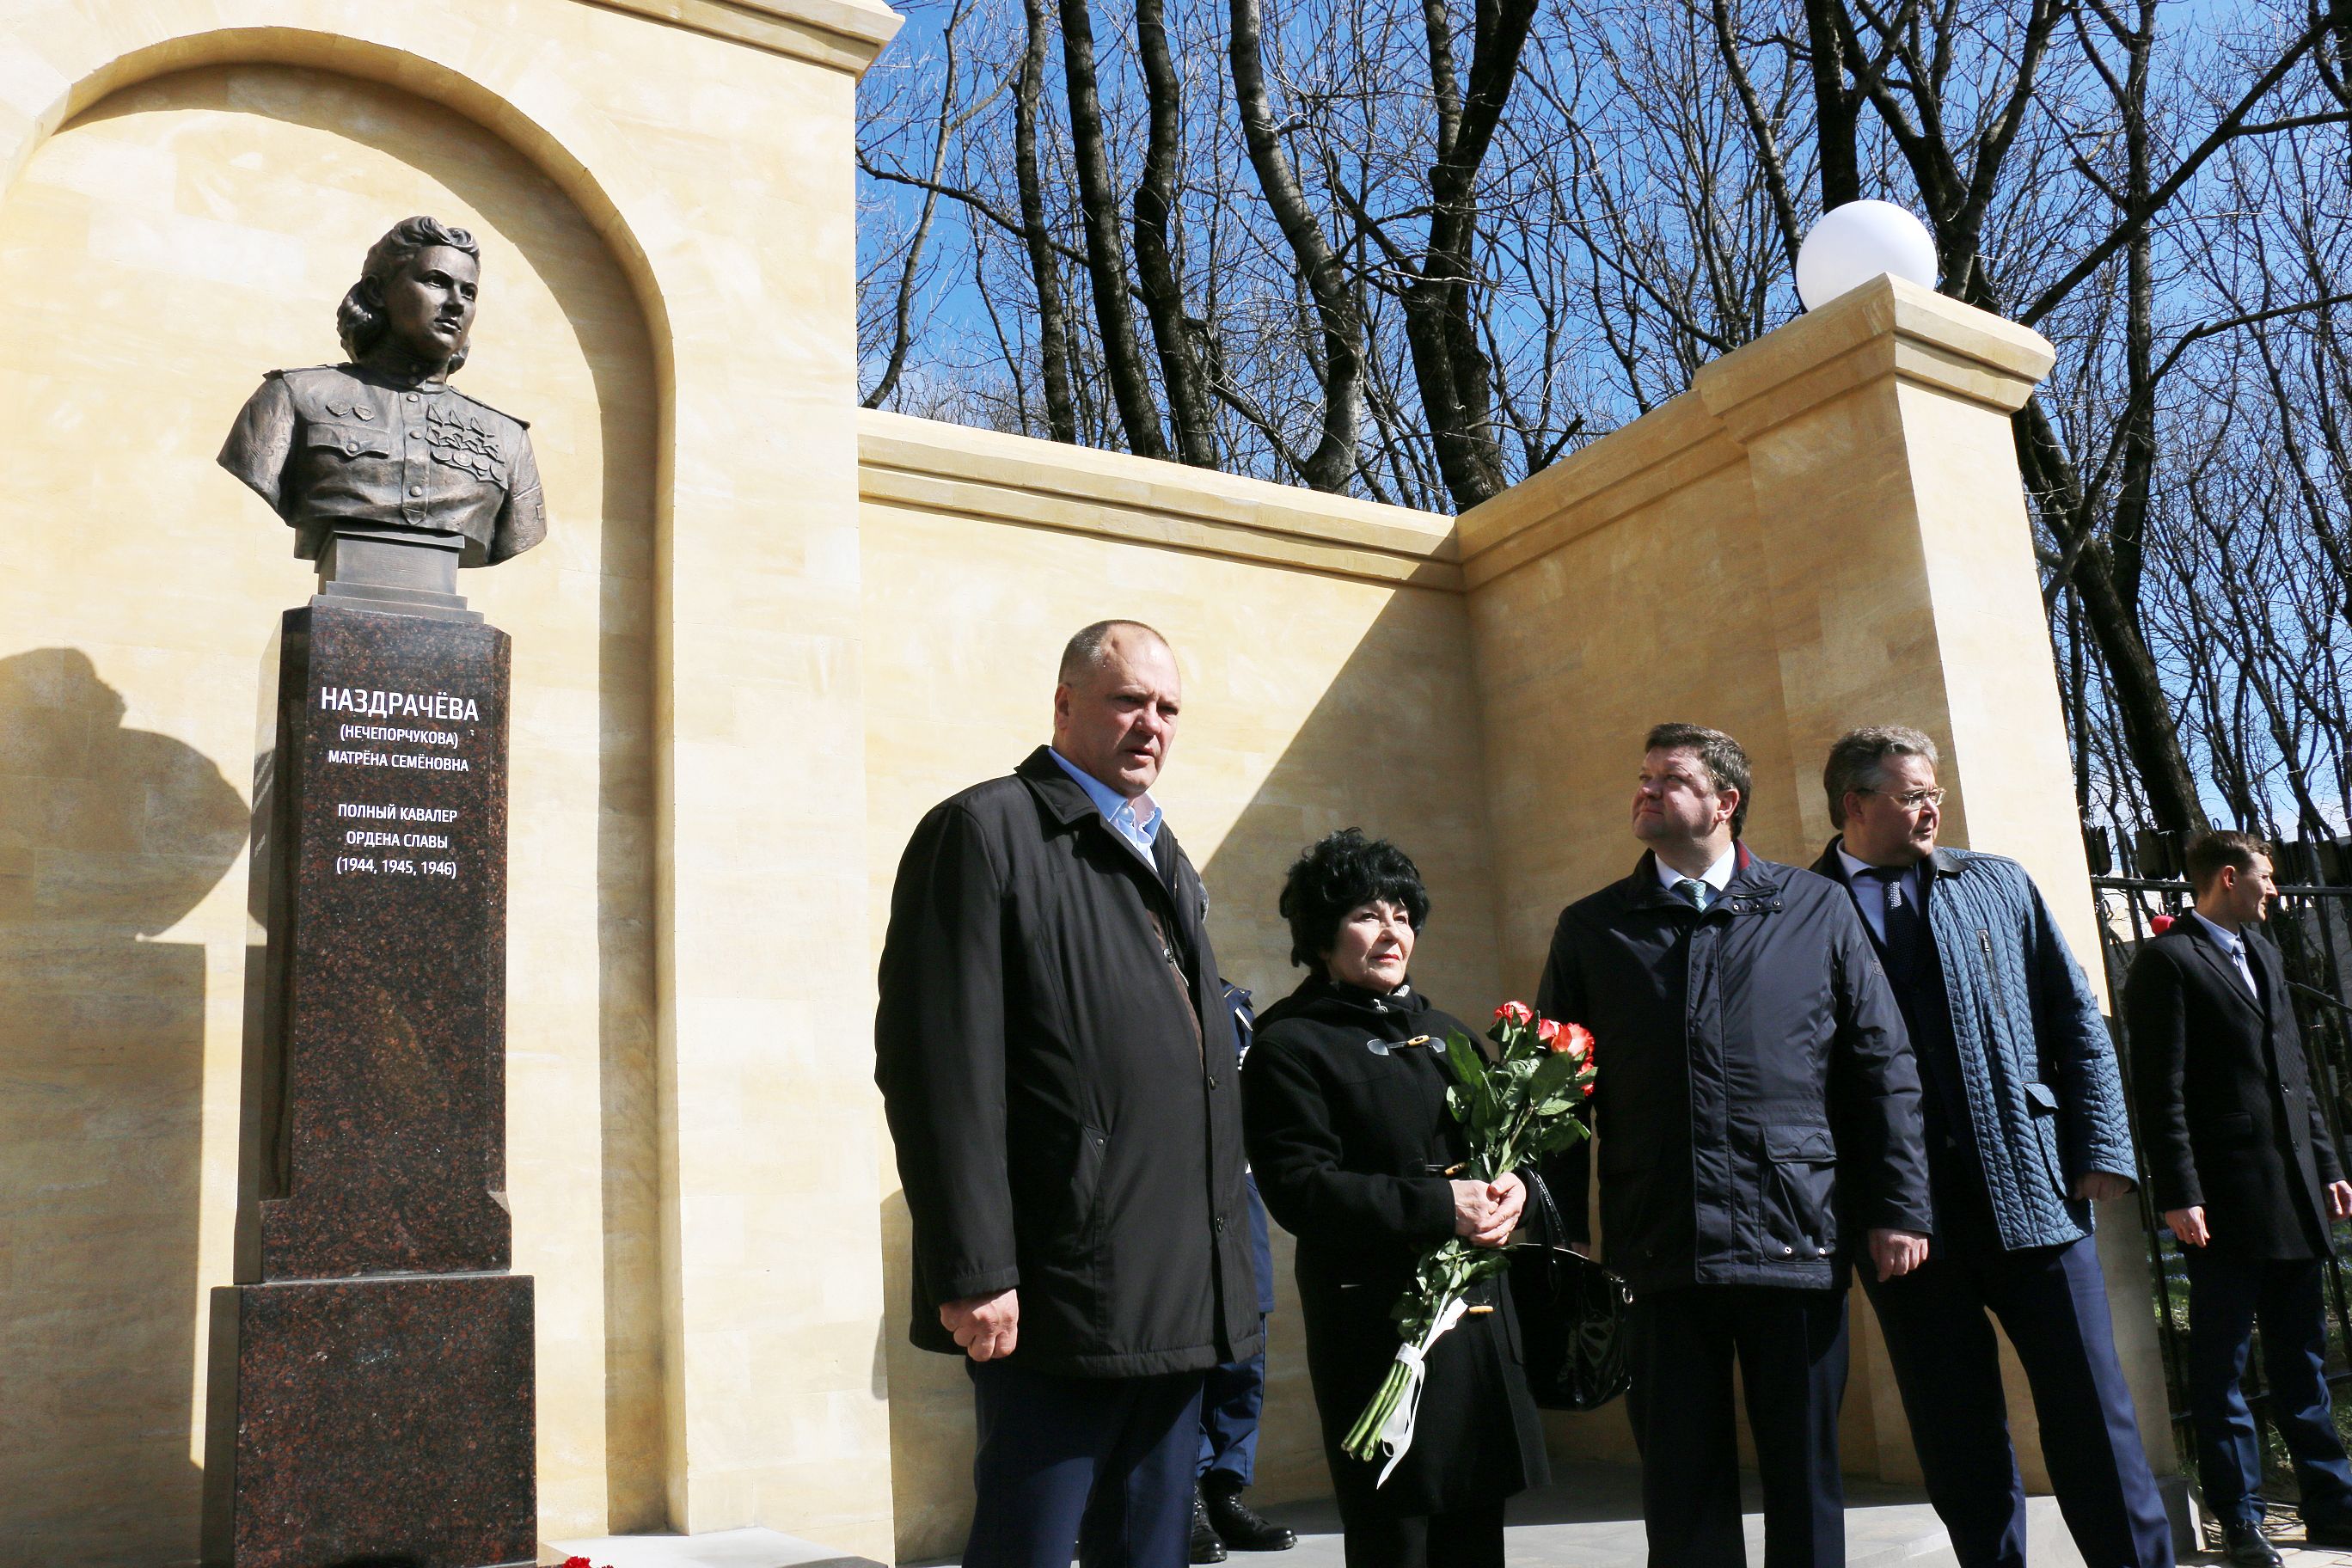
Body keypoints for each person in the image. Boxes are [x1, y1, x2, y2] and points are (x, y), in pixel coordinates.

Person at [874, 621, 1261, 1568]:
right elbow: (937, 1071)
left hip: (1178, 1297)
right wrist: (974, 1269)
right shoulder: (984, 832)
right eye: (1129, 700)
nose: (1151, 724)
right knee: (1031, 1549)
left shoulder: (1164, 853)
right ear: (1064, 704)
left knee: (1150, 1554)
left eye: (1168, 708)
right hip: (1058, 1300)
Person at [1537, 722, 1932, 1568]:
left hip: (1794, 1237)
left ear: (1726, 802)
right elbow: (1554, 1094)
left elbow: (1881, 1064)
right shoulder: (1594, 928)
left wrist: (1899, 1206)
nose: (1646, 790)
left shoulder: (1814, 908)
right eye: (1644, 776)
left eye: (1671, 779)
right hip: (1658, 1242)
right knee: (1681, 1488)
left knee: (1805, 1482)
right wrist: (1561, 1236)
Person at [1810, 726, 2171, 1568]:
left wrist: (2101, 1146)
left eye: (1934, 793)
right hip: (1901, 1221)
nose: (1931, 808)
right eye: (1912, 795)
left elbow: (2075, 1015)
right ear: (1854, 804)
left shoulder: (1996, 882)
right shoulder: (1802, 907)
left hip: (2034, 1190)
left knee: (2093, 1412)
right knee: (1956, 1430)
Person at [1241, 830, 1548, 1568]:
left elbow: (1510, 1157)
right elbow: (1301, 1190)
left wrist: (1519, 1193)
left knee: (1476, 1540)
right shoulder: (1290, 1045)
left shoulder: (1449, 1035)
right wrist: (1442, 1207)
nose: (1391, 933)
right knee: (1398, 1539)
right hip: (1377, 1330)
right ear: (1322, 936)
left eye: (1403, 916)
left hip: (1474, 1330)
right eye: (1366, 916)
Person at [2126, 830, 2352, 1566]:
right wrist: (2179, 1191)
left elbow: (2293, 1072)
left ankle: (2332, 1504)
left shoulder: (2264, 952)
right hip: (2220, 1201)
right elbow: (2159, 1091)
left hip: (2292, 1193)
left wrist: (2325, 1164)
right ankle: (2242, 1519)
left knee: (2302, 1362)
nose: (2275, 890)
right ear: (2229, 877)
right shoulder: (2167, 961)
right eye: (2266, 876)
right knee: (2222, 1369)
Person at [219, 215, 546, 570]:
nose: (457, 303)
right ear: (377, 291)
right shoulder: (293, 395)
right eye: (436, 282)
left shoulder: (507, 436)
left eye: (469, 292)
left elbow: (519, 530)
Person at [1191, 980, 1297, 1563]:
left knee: (1244, 1354)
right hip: (1168, 1206)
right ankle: (1184, 1500)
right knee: (1182, 1358)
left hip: (1240, 1200)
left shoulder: (1235, 1006)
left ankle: (1224, 1492)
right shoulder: (1142, 988)